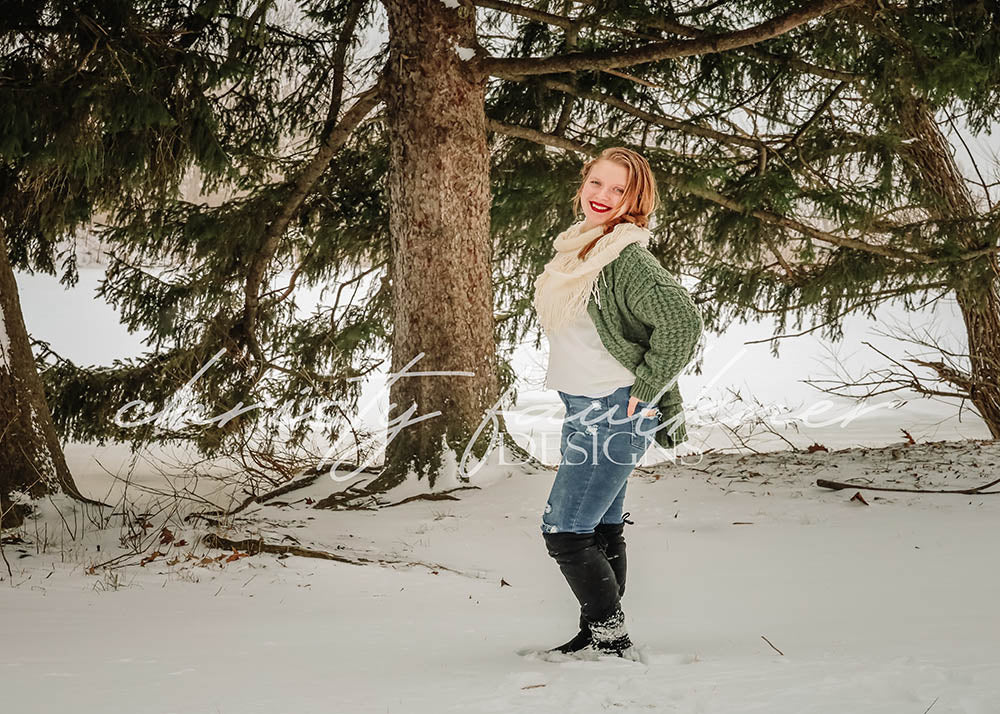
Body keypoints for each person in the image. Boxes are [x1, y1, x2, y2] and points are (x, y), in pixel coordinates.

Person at [531, 147, 703, 661]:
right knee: (600, 525)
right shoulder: (580, 249)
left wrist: (647, 389)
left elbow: (683, 322)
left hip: (614, 410)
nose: (603, 196)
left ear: (636, 199)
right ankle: (596, 633)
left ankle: (611, 637)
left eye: (618, 189)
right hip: (583, 407)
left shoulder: (626, 256)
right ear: (583, 183)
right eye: (597, 183)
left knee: (564, 530)